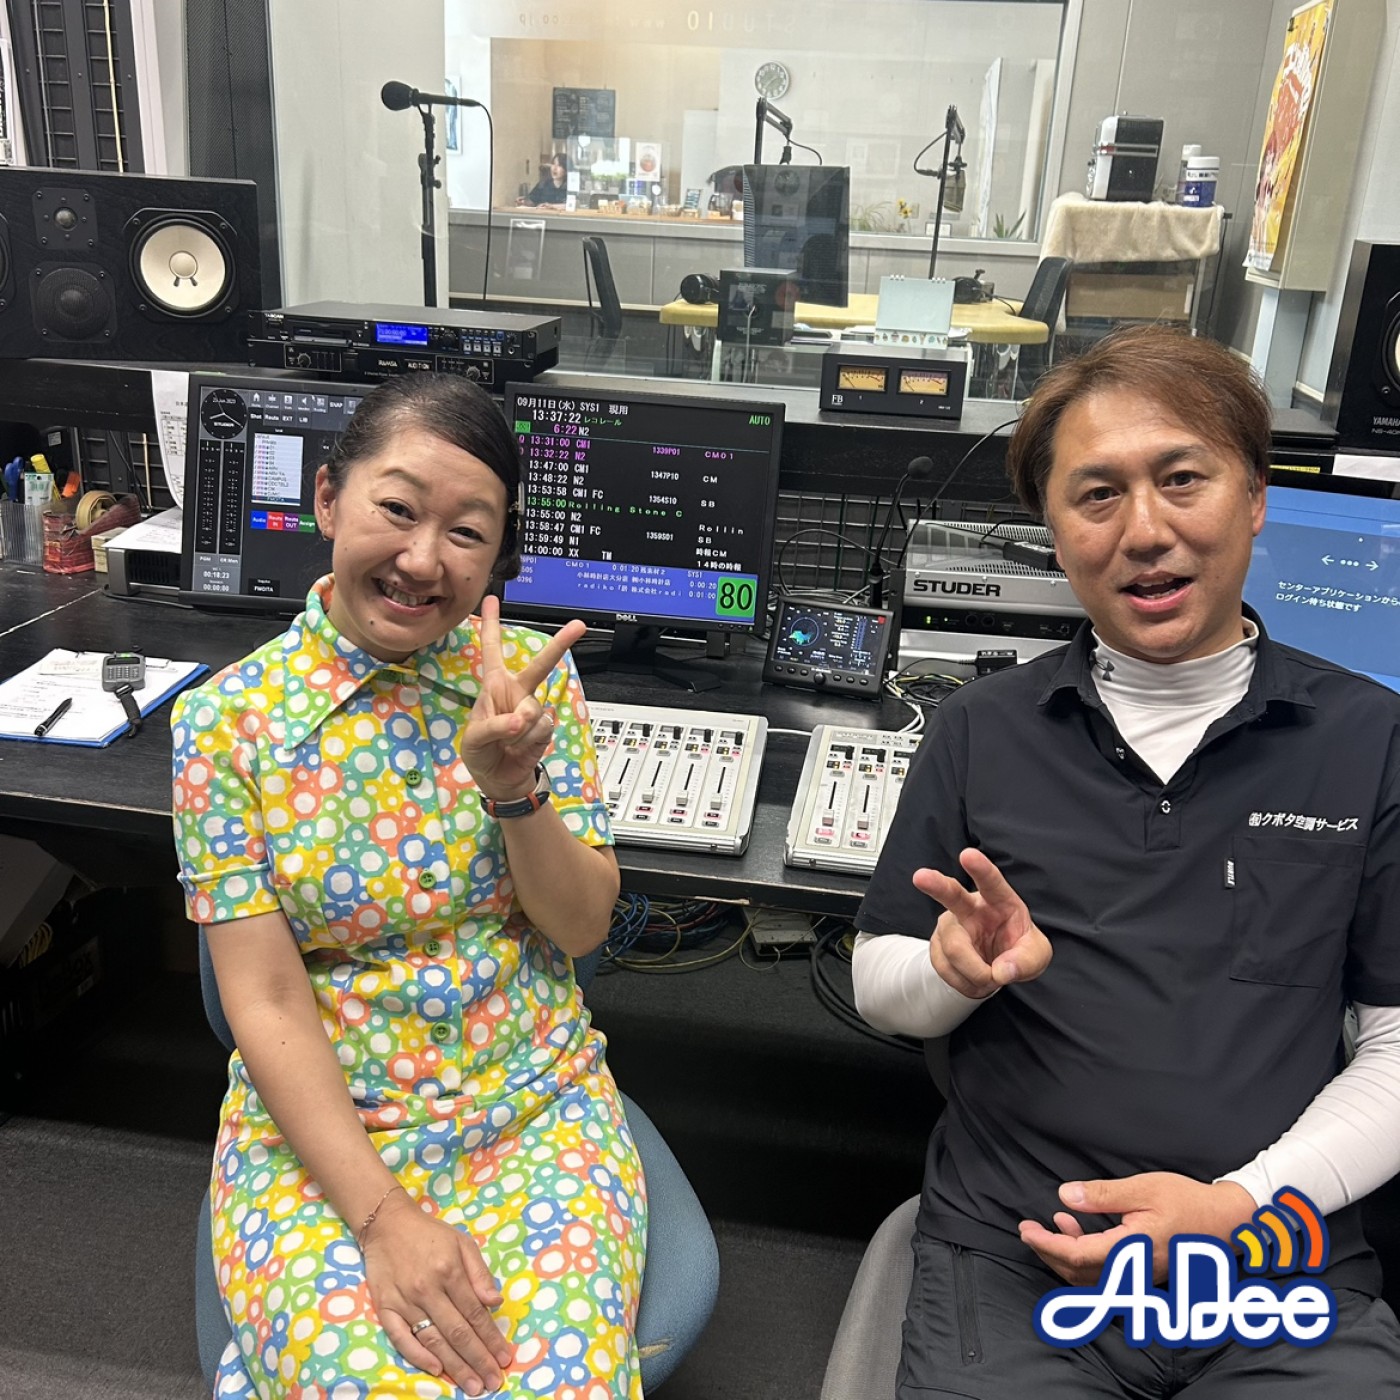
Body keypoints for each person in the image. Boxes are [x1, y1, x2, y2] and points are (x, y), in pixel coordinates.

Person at [852, 325, 1400, 1396]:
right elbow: (880, 979)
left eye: (1181, 480)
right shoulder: (979, 730)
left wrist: (1238, 1207)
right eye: (1096, 495)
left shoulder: (1368, 740)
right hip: (1021, 1255)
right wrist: (954, 974)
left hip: (1279, 1252)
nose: (1144, 531)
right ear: (1053, 534)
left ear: (1254, 498)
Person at [172, 373, 644, 1399]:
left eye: (466, 533)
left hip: (533, 1106)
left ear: (495, 557)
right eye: (397, 508)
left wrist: (513, 790)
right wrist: (383, 1217)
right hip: (328, 1130)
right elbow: (263, 998)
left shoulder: (530, 681)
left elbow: (580, 927)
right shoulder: (226, 723)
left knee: (552, 1381)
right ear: (328, 498)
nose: (424, 559)